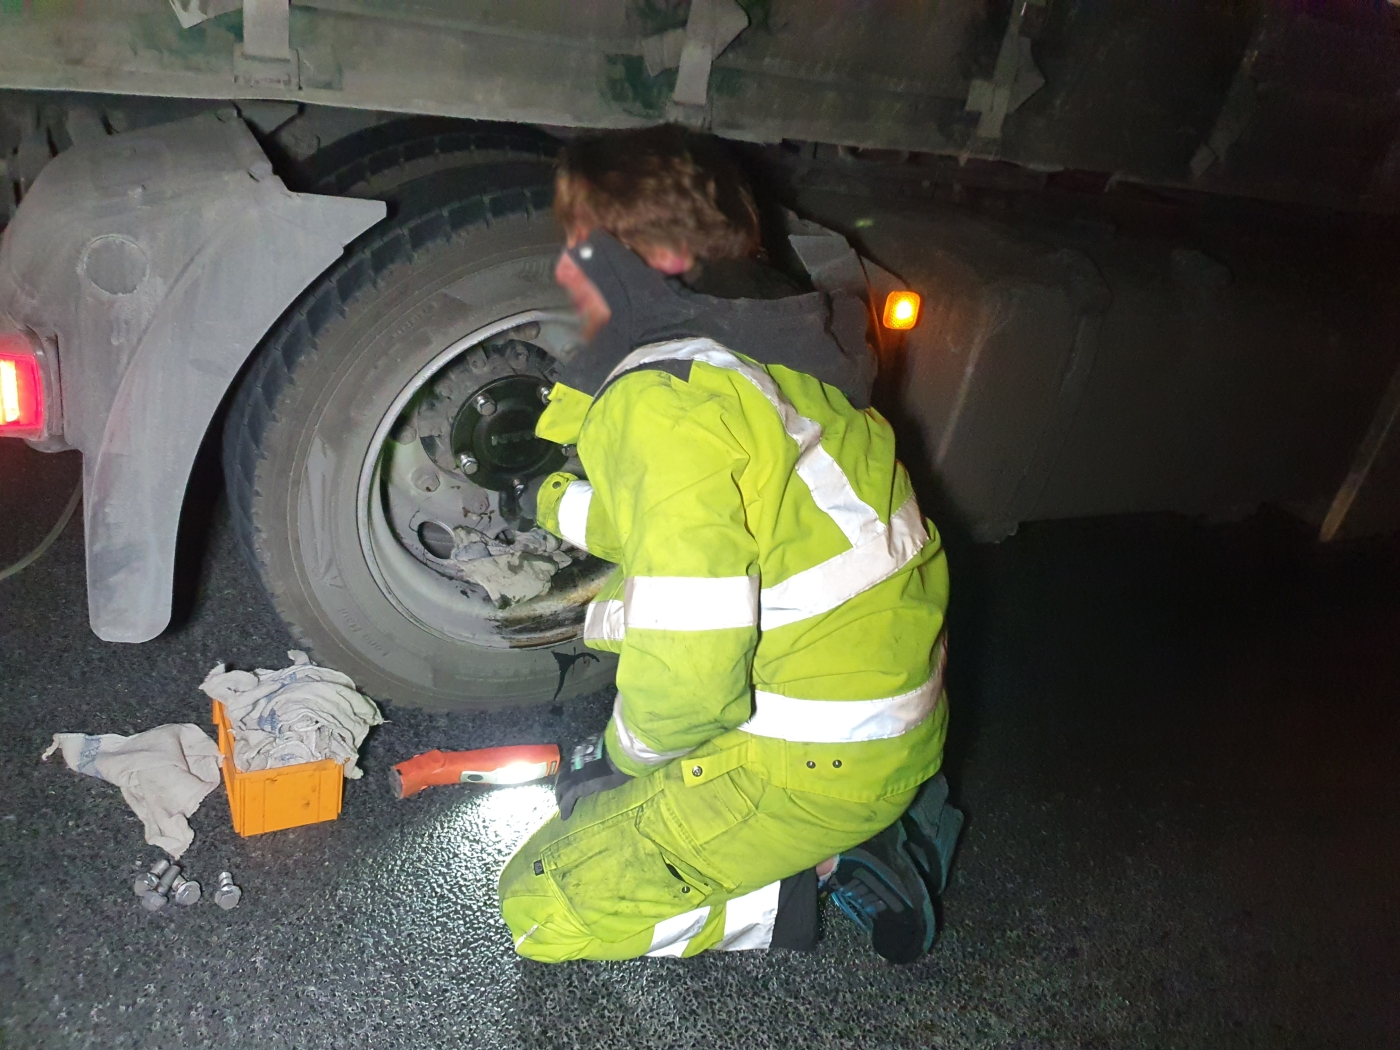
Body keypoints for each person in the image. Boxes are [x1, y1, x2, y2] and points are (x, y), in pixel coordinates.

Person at [498, 125, 962, 964]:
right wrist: (554, 502)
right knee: (626, 632)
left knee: (539, 906)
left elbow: (692, 672)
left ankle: (808, 882)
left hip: (816, 761)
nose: (569, 274)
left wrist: (618, 760)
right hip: (885, 721)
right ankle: (862, 820)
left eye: (582, 251)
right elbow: (699, 515)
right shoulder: (776, 364)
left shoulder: (661, 398)